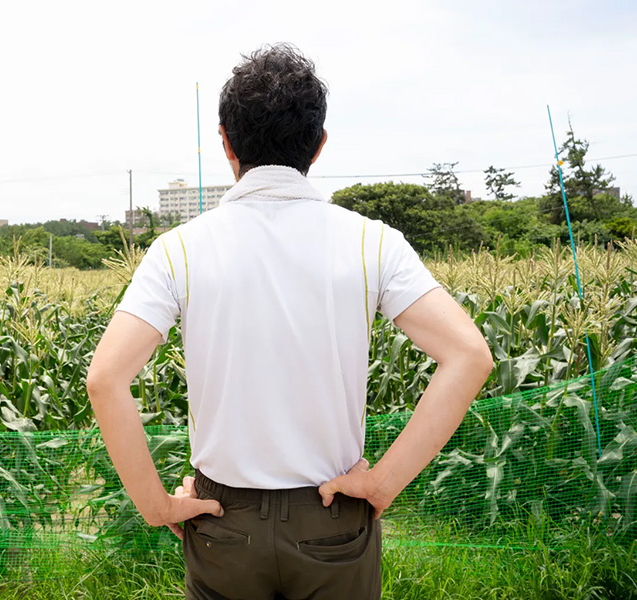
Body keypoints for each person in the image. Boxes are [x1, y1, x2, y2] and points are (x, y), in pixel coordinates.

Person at [86, 44, 493, 600]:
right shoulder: (372, 242)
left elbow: (105, 379)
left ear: (225, 140)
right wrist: (383, 482)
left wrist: (155, 505)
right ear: (319, 145)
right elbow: (470, 355)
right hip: (332, 516)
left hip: (222, 518)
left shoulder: (178, 250)